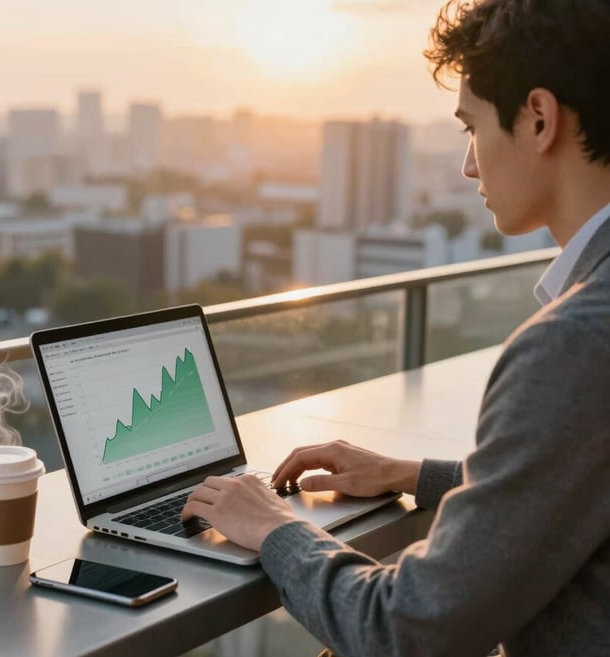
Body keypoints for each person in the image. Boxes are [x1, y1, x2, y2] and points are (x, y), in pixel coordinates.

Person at [181, 0, 610, 655]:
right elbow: (582, 473)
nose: (469, 166)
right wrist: (412, 473)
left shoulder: (574, 341)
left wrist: (272, 527)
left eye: (471, 128)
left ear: (540, 118)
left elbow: (408, 628)